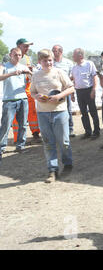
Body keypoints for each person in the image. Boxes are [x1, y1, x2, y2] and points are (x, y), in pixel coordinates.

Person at [30, 49, 75, 183]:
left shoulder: (59, 72)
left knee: (64, 142)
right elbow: (32, 92)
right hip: (43, 113)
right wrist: (36, 96)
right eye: (45, 60)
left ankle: (67, 164)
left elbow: (71, 88)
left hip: (60, 112)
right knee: (48, 143)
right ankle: (52, 170)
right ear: (39, 61)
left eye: (50, 60)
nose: (48, 62)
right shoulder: (36, 75)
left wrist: (58, 96)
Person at [0, 48, 32, 157]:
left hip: (23, 98)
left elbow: (32, 79)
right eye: (15, 55)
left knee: (23, 125)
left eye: (19, 55)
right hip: (9, 99)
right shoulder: (4, 66)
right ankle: (1, 147)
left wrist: (30, 72)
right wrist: (12, 73)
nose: (18, 57)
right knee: (6, 125)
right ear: (10, 55)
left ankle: (20, 146)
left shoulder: (23, 67)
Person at [13, 38, 40, 142]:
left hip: (28, 89)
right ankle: (17, 138)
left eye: (28, 46)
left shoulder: (28, 58)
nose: (28, 48)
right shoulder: (9, 57)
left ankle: (36, 133)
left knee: (32, 112)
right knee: (17, 115)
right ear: (19, 46)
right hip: (15, 90)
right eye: (26, 46)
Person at [71, 48, 100, 139]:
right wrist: (72, 94)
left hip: (89, 90)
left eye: (74, 55)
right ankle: (88, 131)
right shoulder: (74, 68)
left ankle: (96, 131)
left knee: (93, 112)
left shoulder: (89, 64)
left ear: (80, 56)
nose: (73, 57)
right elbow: (73, 81)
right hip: (79, 92)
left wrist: (93, 90)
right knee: (83, 113)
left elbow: (94, 77)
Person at [52, 45, 75, 138]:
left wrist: (71, 92)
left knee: (68, 110)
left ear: (60, 51)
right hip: (54, 91)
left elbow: (72, 77)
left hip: (66, 90)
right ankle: (56, 130)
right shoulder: (51, 62)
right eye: (52, 50)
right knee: (54, 110)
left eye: (55, 50)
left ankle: (70, 129)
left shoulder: (68, 63)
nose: (53, 52)